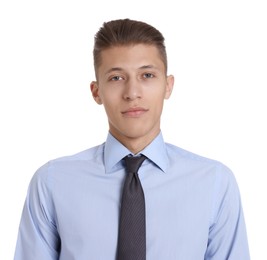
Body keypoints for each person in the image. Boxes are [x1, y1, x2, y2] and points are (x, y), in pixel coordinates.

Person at [14, 18, 250, 259]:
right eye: (116, 78)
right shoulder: (52, 183)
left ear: (168, 86)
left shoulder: (214, 183)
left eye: (147, 75)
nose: (132, 93)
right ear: (97, 92)